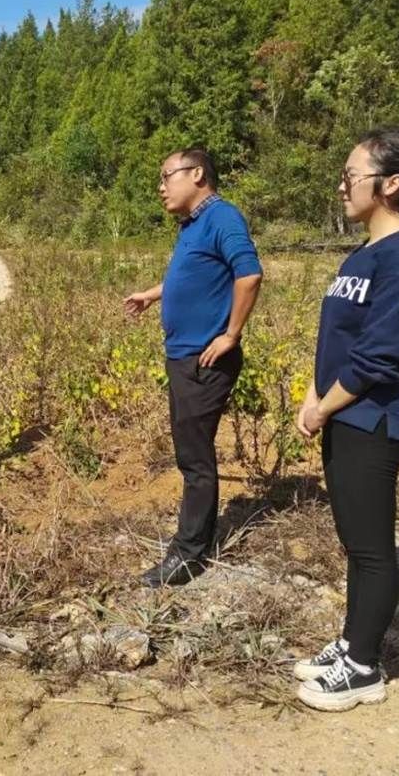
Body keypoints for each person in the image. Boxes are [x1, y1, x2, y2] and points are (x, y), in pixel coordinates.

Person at [293, 127, 399, 711]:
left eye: (351, 176)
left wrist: (324, 404)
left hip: (375, 418)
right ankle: (350, 644)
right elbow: (339, 336)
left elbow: (382, 355)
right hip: (346, 412)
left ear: (391, 184)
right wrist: (314, 392)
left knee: (372, 548)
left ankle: (363, 668)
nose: (342, 186)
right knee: (356, 542)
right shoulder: (364, 253)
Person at [124, 148, 263, 588]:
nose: (161, 186)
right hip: (184, 357)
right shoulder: (193, 225)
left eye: (167, 176)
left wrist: (231, 334)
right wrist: (153, 294)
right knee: (190, 452)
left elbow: (249, 274)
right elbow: (192, 275)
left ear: (197, 174)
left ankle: (188, 555)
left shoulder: (222, 217)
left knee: (194, 458)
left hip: (205, 359)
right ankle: (193, 539)